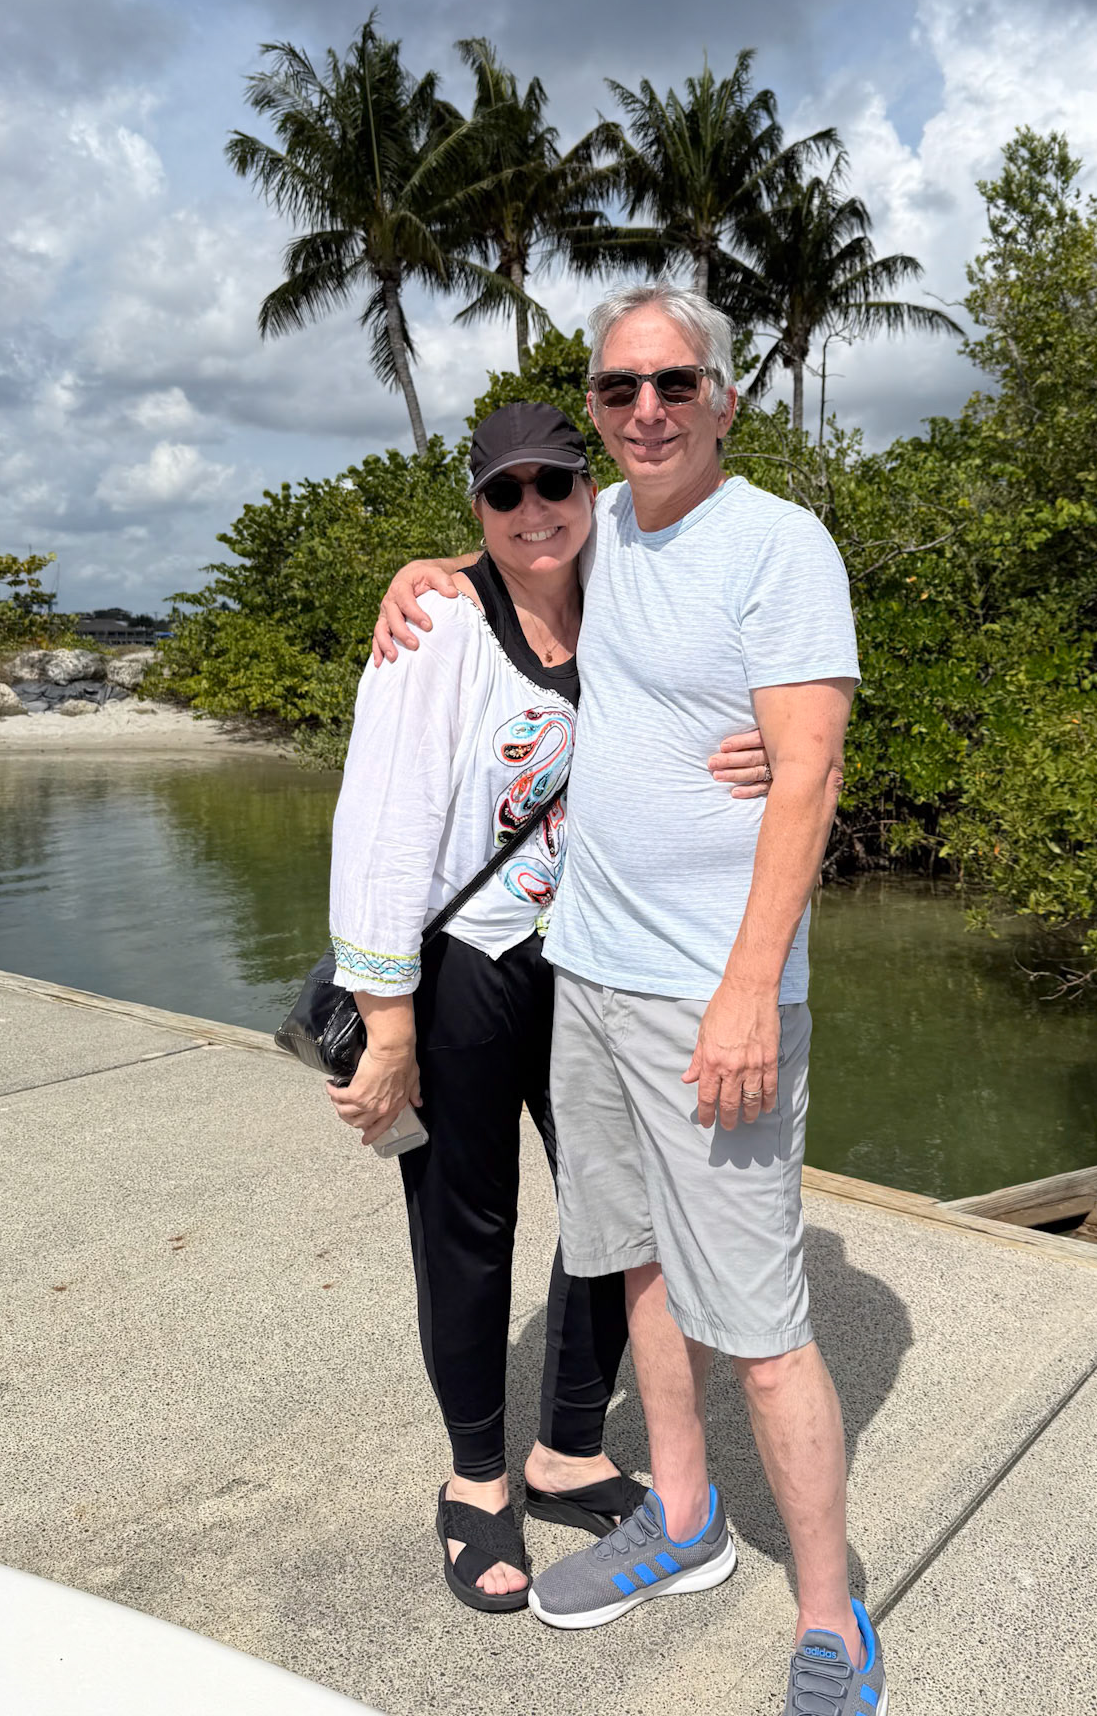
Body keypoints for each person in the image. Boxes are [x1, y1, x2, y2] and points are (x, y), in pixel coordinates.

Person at [371, 286, 885, 1713]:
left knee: (766, 1328)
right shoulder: (609, 544)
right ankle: (681, 1516)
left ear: (723, 396)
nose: (646, 407)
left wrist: (742, 999)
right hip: (584, 979)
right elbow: (519, 560)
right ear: (597, 417)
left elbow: (813, 778)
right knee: (639, 1269)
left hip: (708, 996)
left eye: (673, 383)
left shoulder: (779, 545)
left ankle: (833, 1618)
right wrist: (426, 566)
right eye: (618, 389)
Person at [327, 398, 773, 1616]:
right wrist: (390, 1021)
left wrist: (772, 753)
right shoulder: (440, 624)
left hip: (598, 963)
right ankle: (477, 1479)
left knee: (614, 1213)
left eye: (555, 484)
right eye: (506, 491)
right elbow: (383, 823)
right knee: (467, 1226)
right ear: (476, 504)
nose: (536, 510)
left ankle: (570, 1444)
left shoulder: (635, 595)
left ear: (593, 489)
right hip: (467, 965)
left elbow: (727, 708)